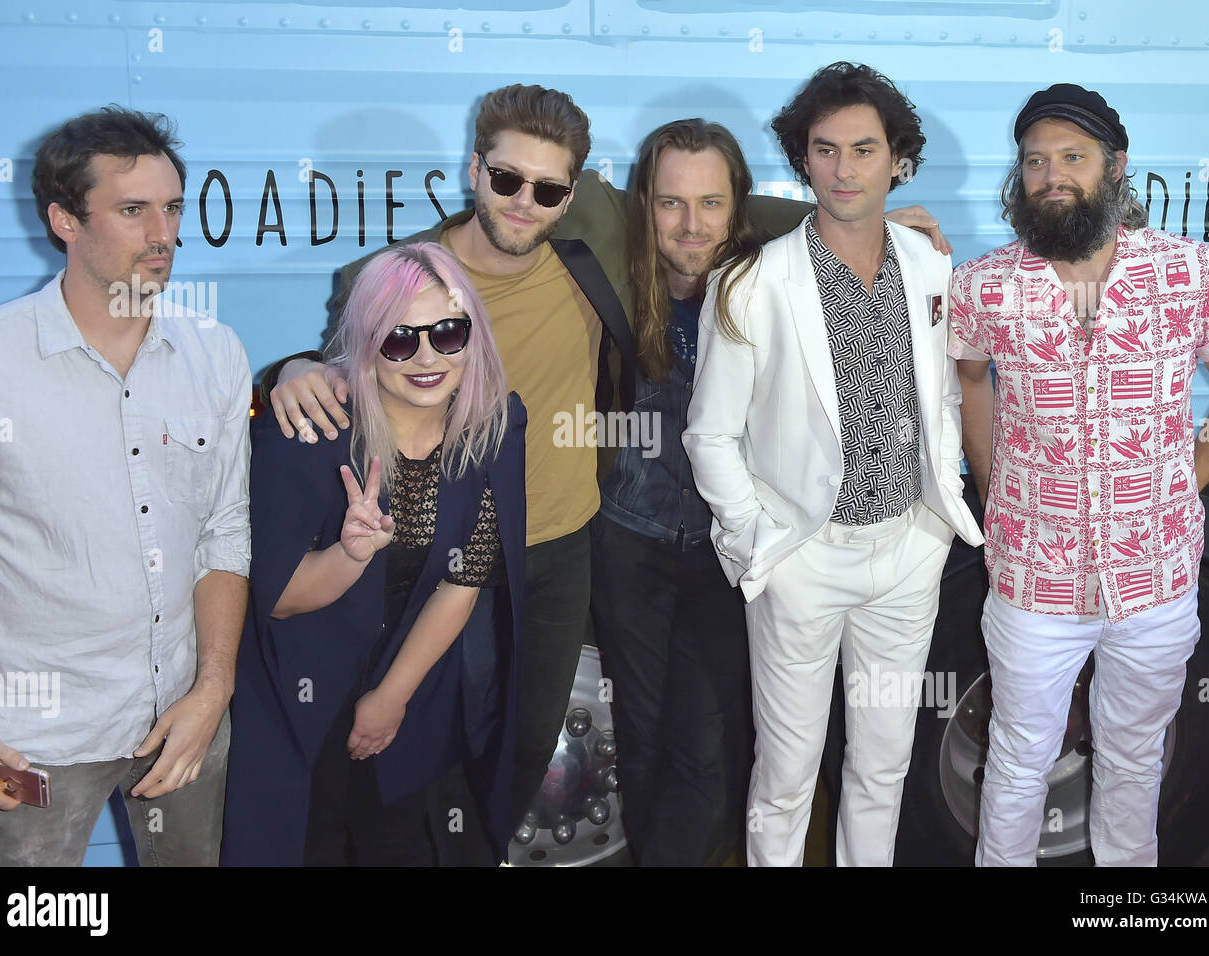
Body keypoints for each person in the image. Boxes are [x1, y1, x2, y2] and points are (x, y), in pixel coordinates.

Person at [258, 82, 951, 840]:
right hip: (484, 547)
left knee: (571, 747)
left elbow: (746, 210)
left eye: (547, 187)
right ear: (473, 172)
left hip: (592, 547)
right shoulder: (487, 265)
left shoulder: (668, 257)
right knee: (429, 748)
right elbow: (363, 329)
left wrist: (870, 219)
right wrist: (294, 366)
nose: (525, 201)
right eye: (506, 179)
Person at [684, 62, 984, 867]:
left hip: (908, 555)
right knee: (784, 775)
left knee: (882, 765)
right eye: (826, 149)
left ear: (898, 161)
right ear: (803, 158)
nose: (845, 169)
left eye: (864, 148)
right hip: (801, 560)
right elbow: (709, 436)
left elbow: (946, 399)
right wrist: (761, 542)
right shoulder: (750, 282)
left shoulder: (933, 267)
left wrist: (942, 500)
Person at [949, 84, 1209, 866]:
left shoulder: (1192, 275)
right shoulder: (986, 287)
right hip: (1032, 578)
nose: (1051, 175)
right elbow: (970, 381)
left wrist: (1185, 479)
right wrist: (994, 493)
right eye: (1034, 161)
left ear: (1116, 166)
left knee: (1135, 758)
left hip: (1154, 577)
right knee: (1019, 763)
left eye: (1072, 158)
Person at [0, 106, 251, 865]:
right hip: (28, 742)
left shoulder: (215, 354)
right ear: (64, 219)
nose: (163, 235)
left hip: (185, 719)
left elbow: (224, 529)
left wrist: (213, 689)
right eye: (132, 211)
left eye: (172, 208)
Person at [221, 242, 526, 865]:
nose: (426, 357)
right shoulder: (308, 431)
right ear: (363, 345)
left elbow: (464, 580)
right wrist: (350, 558)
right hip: (299, 699)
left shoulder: (494, 425)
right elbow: (275, 603)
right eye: (397, 340)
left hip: (411, 681)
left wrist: (391, 699)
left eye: (447, 332)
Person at [590, 119, 791, 865]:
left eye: (711, 202)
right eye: (671, 203)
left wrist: (877, 223)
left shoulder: (768, 281)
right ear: (644, 205)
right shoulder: (609, 271)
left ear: (738, 207)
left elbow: (820, 219)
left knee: (706, 745)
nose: (692, 224)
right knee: (640, 738)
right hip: (628, 543)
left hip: (724, 554)